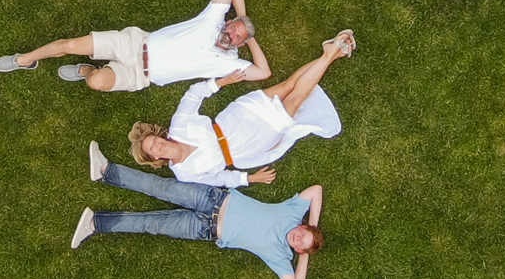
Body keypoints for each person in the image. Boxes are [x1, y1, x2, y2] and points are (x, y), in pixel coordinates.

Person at [129, 33, 354, 187]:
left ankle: (331, 53)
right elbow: (219, 179)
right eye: (152, 148)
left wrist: (222, 82)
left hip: (236, 117)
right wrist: (250, 179)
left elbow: (193, 94)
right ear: (155, 157)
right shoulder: (184, 173)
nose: (157, 144)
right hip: (246, 145)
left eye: (153, 139)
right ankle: (330, 53)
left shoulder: (179, 124)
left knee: (288, 86)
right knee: (295, 99)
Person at [71, 161, 325, 279]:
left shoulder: (280, 255)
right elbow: (316, 190)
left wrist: (303, 256)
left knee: (151, 223)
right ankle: (106, 171)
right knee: (161, 187)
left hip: (204, 229)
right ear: (303, 226)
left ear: (296, 249)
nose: (298, 238)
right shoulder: (291, 212)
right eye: (303, 234)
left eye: (300, 244)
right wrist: (313, 225)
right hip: (212, 198)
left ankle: (96, 223)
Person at [0, 0, 272, 89]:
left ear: (241, 44)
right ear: (227, 22)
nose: (232, 35)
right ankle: (25, 60)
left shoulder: (230, 64)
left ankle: (87, 70)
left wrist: (250, 36)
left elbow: (264, 73)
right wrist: (242, 19)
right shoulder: (211, 20)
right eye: (233, 27)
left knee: (97, 82)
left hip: (141, 76)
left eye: (238, 37)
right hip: (133, 43)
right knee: (70, 43)